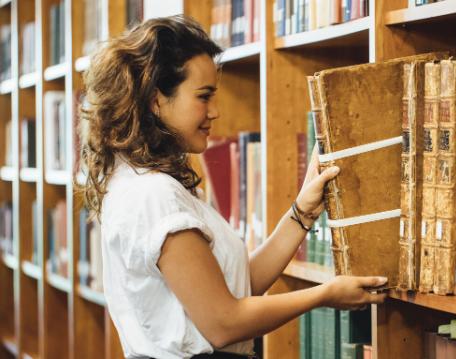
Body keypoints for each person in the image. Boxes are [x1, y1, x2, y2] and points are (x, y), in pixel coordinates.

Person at [79, 15, 387, 359]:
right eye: (203, 96)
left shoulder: (149, 183)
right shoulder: (154, 196)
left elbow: (236, 288)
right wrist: (325, 295)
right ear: (156, 100)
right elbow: (224, 323)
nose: (215, 112)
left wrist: (303, 211)